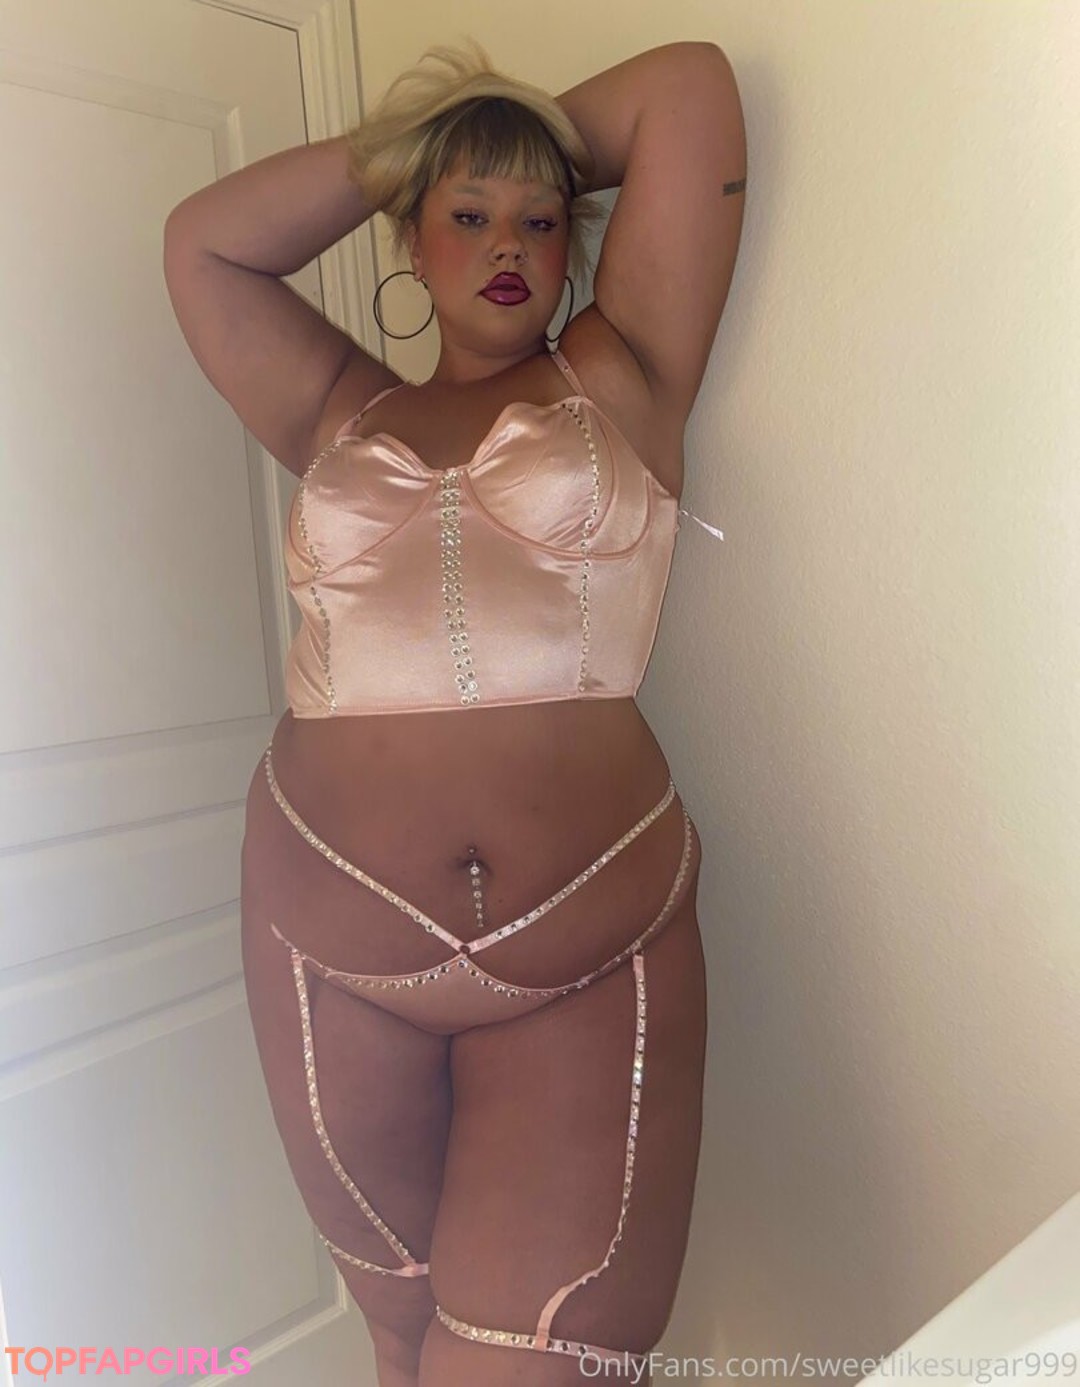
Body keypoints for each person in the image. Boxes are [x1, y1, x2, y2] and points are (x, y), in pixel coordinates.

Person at [163, 36, 745, 1387]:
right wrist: (425, 147)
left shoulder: (622, 371)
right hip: (322, 945)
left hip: (584, 950)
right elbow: (204, 245)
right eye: (468, 215)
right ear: (408, 241)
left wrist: (495, 139)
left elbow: (687, 90)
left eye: (541, 219)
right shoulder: (337, 407)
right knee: (397, 1342)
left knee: (529, 1362)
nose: (510, 245)